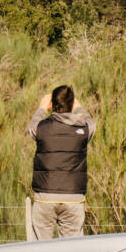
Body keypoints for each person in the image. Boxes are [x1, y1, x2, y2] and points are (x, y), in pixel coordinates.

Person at [27, 84, 96, 239]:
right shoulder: (83, 129)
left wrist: (42, 108)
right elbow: (91, 123)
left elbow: (32, 125)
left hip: (45, 196)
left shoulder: (42, 128)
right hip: (73, 198)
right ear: (71, 104)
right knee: (72, 249)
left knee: (40, 248)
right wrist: (79, 108)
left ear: (52, 104)